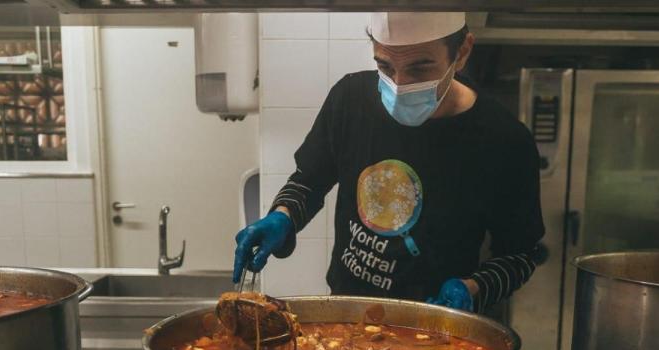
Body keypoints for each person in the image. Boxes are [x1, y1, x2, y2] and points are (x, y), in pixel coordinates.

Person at [233, 12, 544, 313]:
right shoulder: (350, 99)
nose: (399, 85)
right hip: (348, 314)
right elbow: (309, 180)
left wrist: (474, 287)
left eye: (420, 69)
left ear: (461, 52)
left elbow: (519, 254)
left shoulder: (503, 139)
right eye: (385, 66)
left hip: (438, 328)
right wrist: (283, 215)